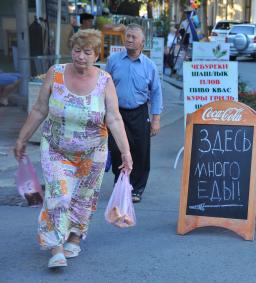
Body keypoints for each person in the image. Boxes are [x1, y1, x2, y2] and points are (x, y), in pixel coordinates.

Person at [14, 29, 133, 268]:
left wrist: (126, 152)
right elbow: (39, 109)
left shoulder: (104, 80)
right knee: (59, 195)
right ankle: (55, 246)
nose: (80, 56)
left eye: (87, 52)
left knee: (84, 198)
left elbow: (114, 118)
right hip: (57, 148)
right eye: (77, 51)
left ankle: (75, 235)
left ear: (96, 55)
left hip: (93, 151)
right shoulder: (55, 73)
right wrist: (22, 138)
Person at [106, 24, 163, 203]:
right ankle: (120, 182)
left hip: (139, 112)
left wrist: (156, 120)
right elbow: (103, 86)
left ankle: (136, 189)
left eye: (133, 37)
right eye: (127, 36)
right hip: (116, 113)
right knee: (116, 149)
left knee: (140, 151)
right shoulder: (113, 60)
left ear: (142, 42)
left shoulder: (149, 66)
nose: (129, 39)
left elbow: (156, 93)